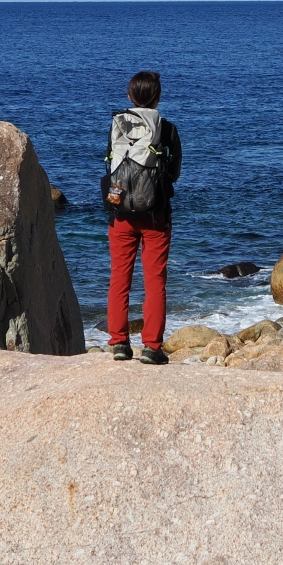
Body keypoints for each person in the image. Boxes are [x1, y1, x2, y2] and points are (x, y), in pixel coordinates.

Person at [104, 70, 181, 363]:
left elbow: (109, 163)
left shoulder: (117, 125)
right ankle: (152, 347)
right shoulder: (167, 128)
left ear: (129, 96)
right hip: (155, 215)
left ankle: (119, 343)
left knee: (119, 279)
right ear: (158, 97)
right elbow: (174, 172)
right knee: (155, 280)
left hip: (120, 211)